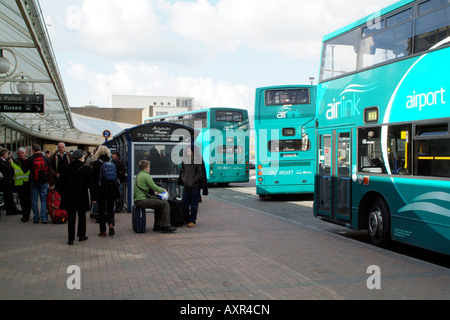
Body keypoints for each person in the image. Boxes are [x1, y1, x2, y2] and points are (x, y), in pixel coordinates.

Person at [59, 150, 96, 245]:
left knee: (71, 217)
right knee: (82, 215)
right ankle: (81, 235)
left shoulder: (66, 167)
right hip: (82, 195)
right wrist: (93, 198)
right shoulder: (86, 169)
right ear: (81, 158)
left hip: (70, 195)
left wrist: (63, 194)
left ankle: (70, 239)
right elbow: (91, 185)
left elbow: (60, 183)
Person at [133, 160, 176, 233]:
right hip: (142, 200)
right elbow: (154, 187)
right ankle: (165, 225)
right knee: (165, 204)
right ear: (145, 168)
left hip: (138, 200)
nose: (149, 168)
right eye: (149, 167)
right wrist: (164, 190)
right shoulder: (146, 176)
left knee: (159, 203)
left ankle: (158, 225)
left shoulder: (139, 175)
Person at [92, 145, 119, 237]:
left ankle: (103, 231)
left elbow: (94, 179)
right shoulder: (112, 162)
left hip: (101, 189)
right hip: (112, 189)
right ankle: (111, 224)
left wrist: (94, 193)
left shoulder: (96, 163)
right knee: (111, 208)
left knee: (102, 210)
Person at [178, 146, 207, 227]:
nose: (188, 153)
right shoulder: (185, 161)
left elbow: (200, 174)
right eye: (187, 151)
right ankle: (186, 219)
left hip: (195, 187)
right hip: (186, 186)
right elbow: (182, 172)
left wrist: (193, 181)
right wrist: (184, 180)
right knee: (185, 204)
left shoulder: (198, 161)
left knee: (194, 204)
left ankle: (192, 220)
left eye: (189, 151)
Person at [24, 144, 52, 224]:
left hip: (34, 181)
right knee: (43, 200)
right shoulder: (46, 159)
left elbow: (25, 170)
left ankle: (36, 218)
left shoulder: (30, 159)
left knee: (34, 200)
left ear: (32, 151)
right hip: (44, 182)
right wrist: (51, 183)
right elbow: (49, 172)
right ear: (40, 150)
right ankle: (44, 218)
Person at [12, 148, 31, 222]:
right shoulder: (14, 162)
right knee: (22, 201)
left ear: (25, 153)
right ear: (17, 154)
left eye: (22, 153)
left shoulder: (29, 161)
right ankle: (24, 215)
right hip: (19, 184)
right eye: (20, 153)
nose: (21, 154)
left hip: (28, 183)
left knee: (28, 201)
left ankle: (27, 215)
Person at [0, 148, 21, 216]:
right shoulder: (1, 161)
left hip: (8, 181)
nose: (7, 155)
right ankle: (12, 209)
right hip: (5, 182)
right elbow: (6, 168)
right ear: (3, 154)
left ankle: (10, 209)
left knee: (8, 196)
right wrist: (9, 162)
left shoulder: (4, 160)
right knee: (8, 196)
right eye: (6, 154)